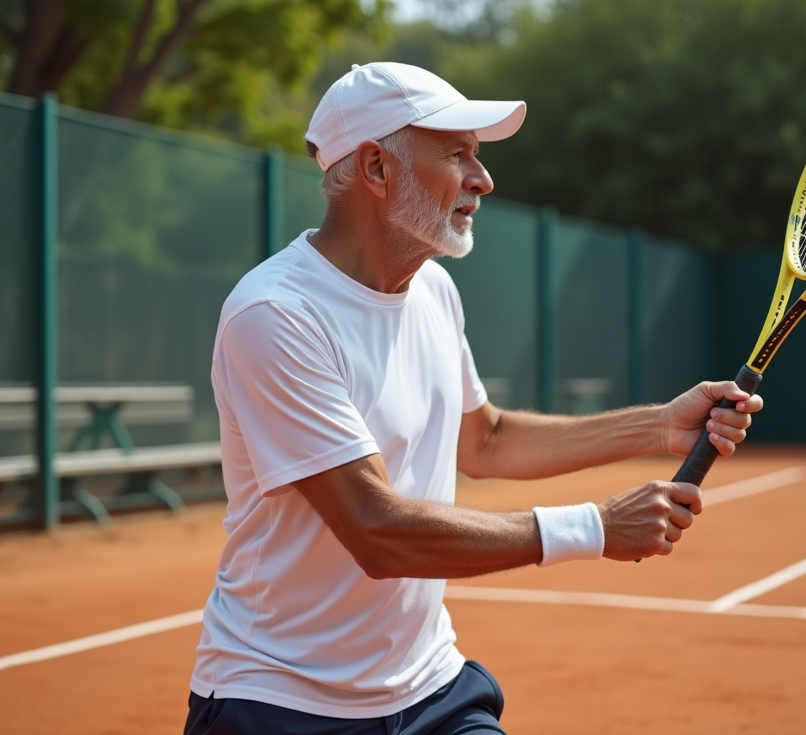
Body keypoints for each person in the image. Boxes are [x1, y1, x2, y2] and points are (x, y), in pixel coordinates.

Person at [185, 63, 763, 735]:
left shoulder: (432, 290)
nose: (482, 179)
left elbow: (482, 440)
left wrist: (659, 425)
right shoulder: (276, 315)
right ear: (376, 168)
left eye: (477, 157)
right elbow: (379, 531)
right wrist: (595, 527)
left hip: (432, 688)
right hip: (281, 705)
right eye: (457, 155)